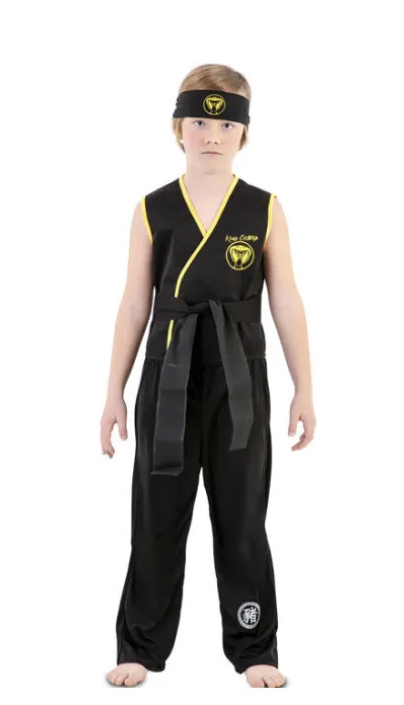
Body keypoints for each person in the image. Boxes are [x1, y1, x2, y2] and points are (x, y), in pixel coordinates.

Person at [101, 64, 316, 688]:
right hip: (166, 374)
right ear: (178, 128)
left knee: (242, 514)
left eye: (226, 124)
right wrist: (113, 393)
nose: (212, 135)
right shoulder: (152, 209)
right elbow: (134, 304)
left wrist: (304, 388)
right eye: (199, 121)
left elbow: (286, 300)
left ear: (244, 132)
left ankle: (255, 646)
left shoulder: (264, 208)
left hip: (239, 377)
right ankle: (140, 645)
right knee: (157, 513)